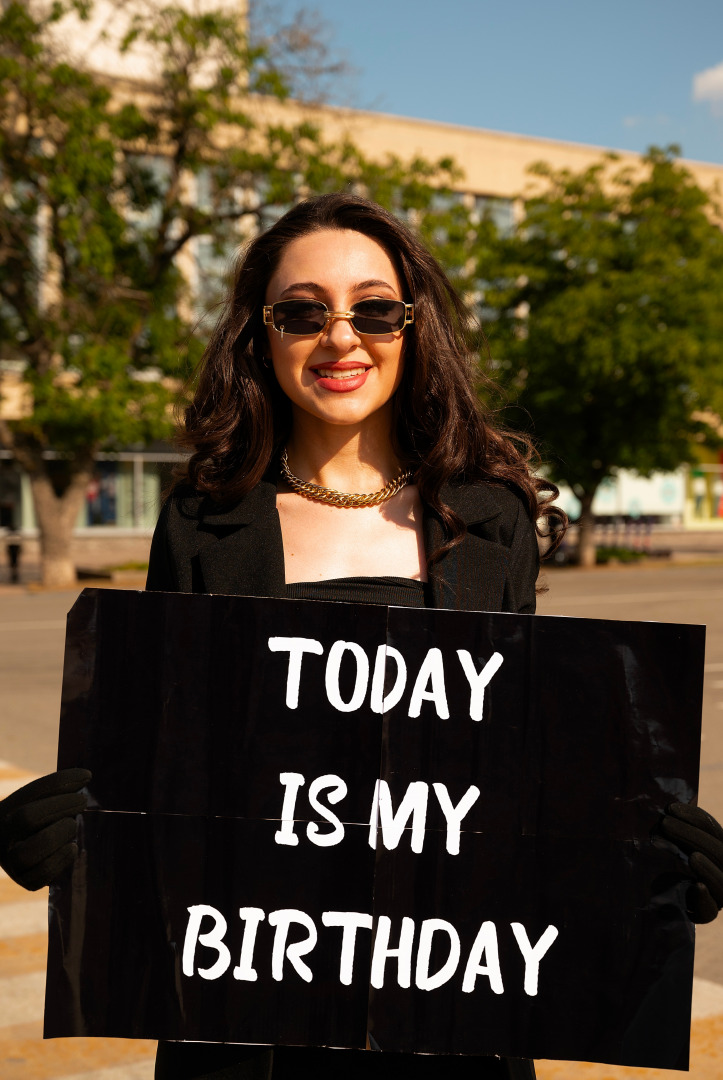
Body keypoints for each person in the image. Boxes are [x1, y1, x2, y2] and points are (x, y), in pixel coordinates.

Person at [1, 193, 722, 1080]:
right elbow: (170, 772)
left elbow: (517, 790)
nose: (341, 337)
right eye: (303, 312)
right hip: (247, 1031)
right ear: (261, 336)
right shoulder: (200, 520)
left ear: (413, 328)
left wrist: (642, 861)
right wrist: (76, 837)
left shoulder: (488, 519)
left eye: (375, 310)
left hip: (452, 1031)